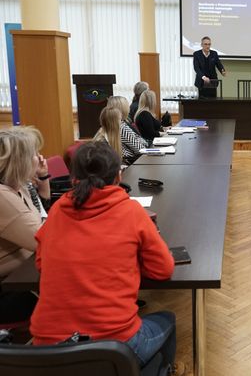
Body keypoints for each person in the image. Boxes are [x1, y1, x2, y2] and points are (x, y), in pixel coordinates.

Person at [30, 141, 181, 373]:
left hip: (49, 349)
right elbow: (163, 269)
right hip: (114, 345)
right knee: (167, 319)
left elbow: (41, 264)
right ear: (118, 176)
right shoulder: (131, 211)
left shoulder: (58, 209)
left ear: (73, 178)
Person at [0, 126, 48, 325]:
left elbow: (44, 218)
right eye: (34, 154)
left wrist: (42, 179)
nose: (40, 158)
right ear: (20, 162)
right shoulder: (3, 196)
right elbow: (44, 240)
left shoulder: (19, 186)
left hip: (22, 276)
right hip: (9, 289)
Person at [107, 96, 148, 165]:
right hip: (131, 162)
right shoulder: (121, 127)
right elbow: (140, 149)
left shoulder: (111, 124)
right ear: (123, 109)